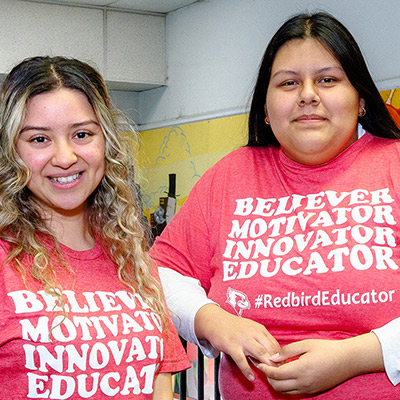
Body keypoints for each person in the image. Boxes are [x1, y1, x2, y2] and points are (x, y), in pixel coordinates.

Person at [150, 12, 400, 399]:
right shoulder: (230, 176)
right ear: (265, 109)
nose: (307, 94)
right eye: (288, 83)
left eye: (328, 79)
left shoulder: (394, 165)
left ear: (361, 99)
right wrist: (212, 320)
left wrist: (356, 356)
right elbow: (157, 272)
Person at [0, 56, 190, 400]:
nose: (65, 156)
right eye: (39, 139)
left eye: (82, 134)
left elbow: (160, 382)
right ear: (12, 151)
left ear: (106, 142)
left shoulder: (133, 259)